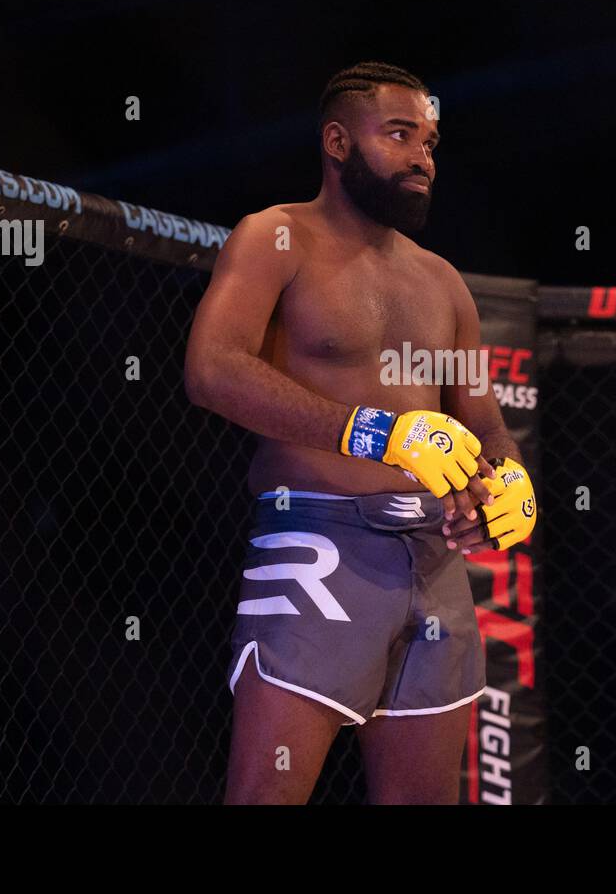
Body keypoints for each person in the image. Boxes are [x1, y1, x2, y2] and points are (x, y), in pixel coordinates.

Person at [184, 61, 537, 804]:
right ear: (339, 142)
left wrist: (507, 478)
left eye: (431, 141)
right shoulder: (277, 236)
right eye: (401, 134)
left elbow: (483, 422)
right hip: (318, 546)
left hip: (435, 560)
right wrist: (375, 432)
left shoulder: (442, 281)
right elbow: (213, 370)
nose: (422, 157)